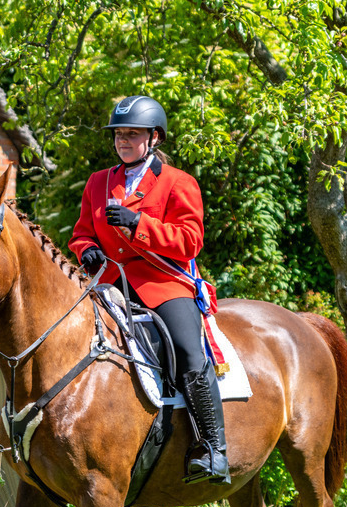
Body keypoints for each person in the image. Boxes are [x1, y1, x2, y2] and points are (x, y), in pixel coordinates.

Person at [69, 95, 229, 485]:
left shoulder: (178, 182)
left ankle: (213, 449)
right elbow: (81, 233)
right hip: (110, 284)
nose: (123, 141)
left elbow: (190, 241)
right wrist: (87, 250)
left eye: (132, 134)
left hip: (162, 283)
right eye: (118, 134)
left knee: (188, 350)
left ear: (154, 137)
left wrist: (137, 223)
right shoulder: (98, 182)